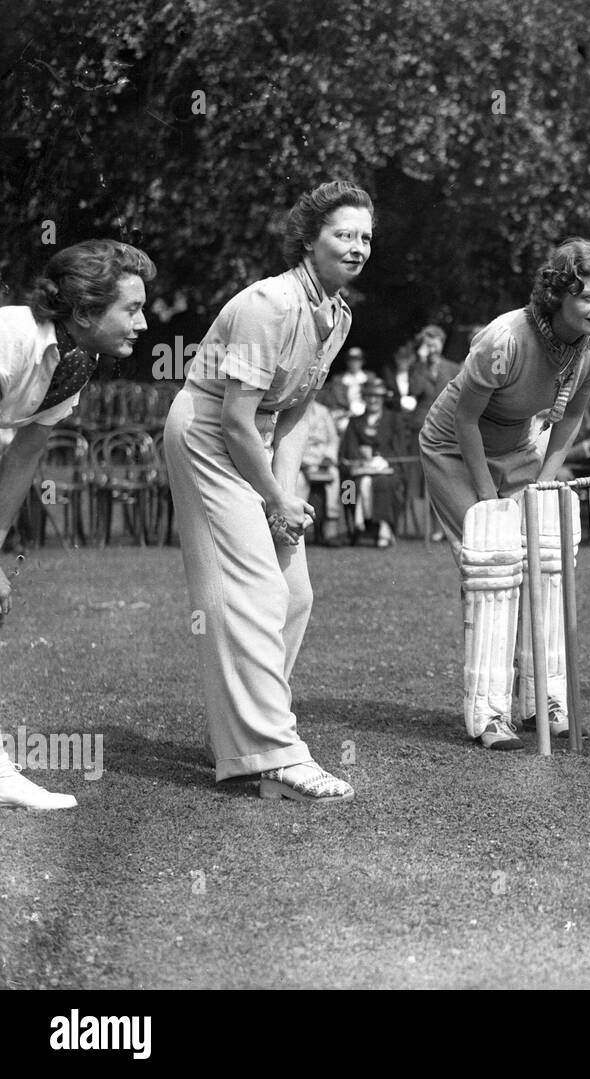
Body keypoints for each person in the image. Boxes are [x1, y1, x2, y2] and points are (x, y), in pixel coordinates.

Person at [163, 179, 373, 803]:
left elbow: (294, 415)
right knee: (252, 588)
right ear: (309, 241)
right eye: (343, 234)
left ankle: (246, 735)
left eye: (365, 236)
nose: (357, 247)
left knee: (295, 591)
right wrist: (272, 497)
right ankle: (273, 752)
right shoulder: (268, 304)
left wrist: (284, 499)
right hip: (206, 435)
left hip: (257, 442)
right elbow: (232, 417)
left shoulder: (337, 314)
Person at [419, 238, 590, 750]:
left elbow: (571, 414)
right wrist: (489, 499)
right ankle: (488, 712)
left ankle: (543, 699)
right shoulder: (503, 339)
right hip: (454, 446)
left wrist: (545, 481)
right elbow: (464, 420)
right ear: (559, 295)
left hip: (520, 444)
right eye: (589, 297)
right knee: (495, 560)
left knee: (547, 561)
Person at [0, 239, 154, 809]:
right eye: (131, 309)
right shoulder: (10, 338)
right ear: (85, 311)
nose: (143, 322)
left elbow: (26, 449)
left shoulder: (76, 362)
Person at [340, 375, 404, 547]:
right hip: (359, 469)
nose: (373, 400)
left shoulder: (394, 420)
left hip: (388, 469)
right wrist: (361, 457)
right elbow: (348, 449)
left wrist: (381, 459)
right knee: (349, 486)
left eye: (377, 396)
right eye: (369, 396)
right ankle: (356, 527)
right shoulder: (355, 422)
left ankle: (384, 527)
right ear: (364, 398)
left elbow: (399, 449)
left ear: (383, 398)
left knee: (383, 482)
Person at [295, 396, 344, 545]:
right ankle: (298, 525)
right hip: (301, 461)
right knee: (298, 482)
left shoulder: (323, 411)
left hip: (322, 460)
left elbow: (333, 439)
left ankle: (331, 525)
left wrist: (328, 458)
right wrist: (300, 462)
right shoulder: (292, 408)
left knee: (335, 478)